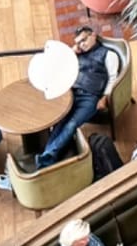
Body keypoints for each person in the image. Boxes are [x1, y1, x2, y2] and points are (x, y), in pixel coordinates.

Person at [35, 26, 123, 169]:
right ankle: (48, 155)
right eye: (79, 42)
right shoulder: (77, 54)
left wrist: (105, 97)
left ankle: (48, 157)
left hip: (90, 97)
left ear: (93, 35)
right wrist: (71, 52)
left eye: (84, 40)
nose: (82, 44)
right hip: (71, 93)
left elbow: (113, 78)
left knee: (71, 124)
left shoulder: (108, 55)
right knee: (59, 122)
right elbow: (58, 65)